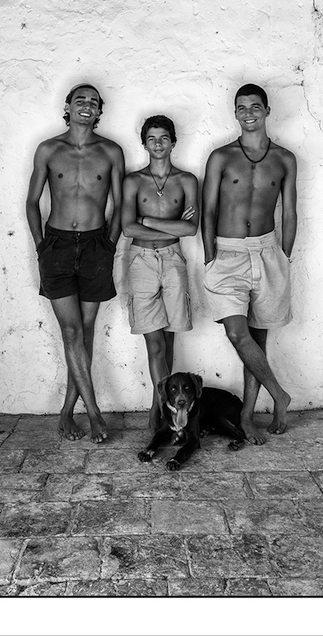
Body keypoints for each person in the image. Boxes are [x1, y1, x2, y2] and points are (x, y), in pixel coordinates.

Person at [25, 83, 124, 443]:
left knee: (85, 331)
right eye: (80, 100)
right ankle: (94, 413)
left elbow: (120, 204)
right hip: (58, 245)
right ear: (68, 107)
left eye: (93, 102)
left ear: (99, 111)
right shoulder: (49, 149)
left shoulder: (110, 151)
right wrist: (42, 247)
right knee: (71, 332)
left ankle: (67, 411)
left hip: (97, 245)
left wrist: (110, 244)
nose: (87, 105)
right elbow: (32, 202)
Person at [201, 83, 296, 443]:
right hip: (227, 254)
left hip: (268, 253)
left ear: (267, 110)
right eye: (241, 107)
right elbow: (208, 209)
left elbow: (290, 211)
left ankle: (246, 416)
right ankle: (280, 395)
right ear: (235, 113)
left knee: (257, 339)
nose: (248, 113)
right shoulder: (221, 157)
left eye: (255, 106)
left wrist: (284, 256)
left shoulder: (284, 158)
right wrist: (209, 256)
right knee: (237, 333)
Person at [121, 115, 199, 429]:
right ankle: (160, 412)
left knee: (168, 343)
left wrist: (149, 221)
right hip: (140, 260)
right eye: (151, 138)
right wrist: (171, 225)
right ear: (144, 143)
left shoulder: (186, 180)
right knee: (154, 345)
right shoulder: (133, 181)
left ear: (173, 142)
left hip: (173, 259)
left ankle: (165, 410)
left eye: (164, 137)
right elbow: (128, 228)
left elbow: (191, 229)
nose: (158, 144)